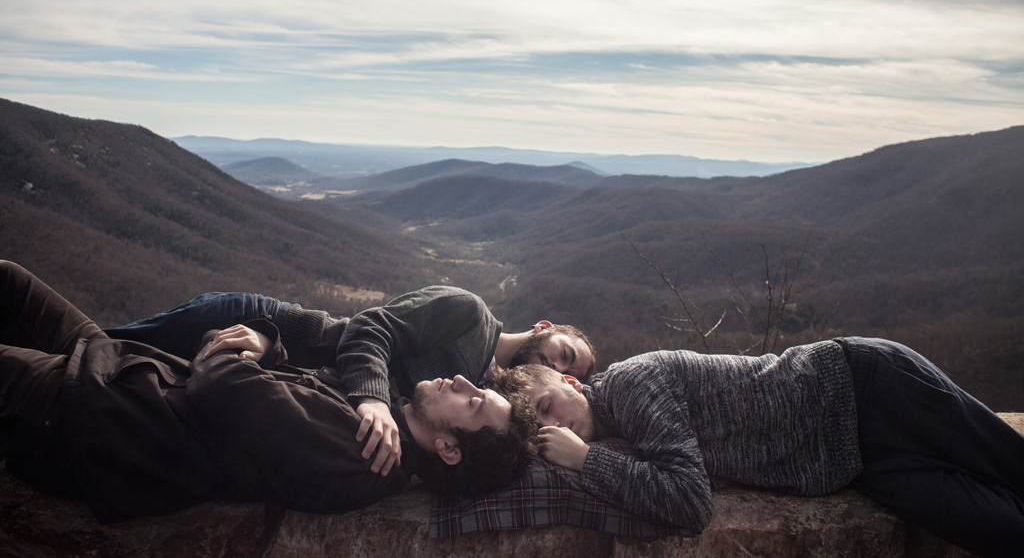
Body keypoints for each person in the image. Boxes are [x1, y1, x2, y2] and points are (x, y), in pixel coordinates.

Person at [0, 261, 538, 523]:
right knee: (10, 282)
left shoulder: (365, 451)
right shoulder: (382, 419)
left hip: (94, 414)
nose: (468, 380)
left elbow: (222, 386)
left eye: (472, 402)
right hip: (123, 374)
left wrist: (239, 346)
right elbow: (344, 341)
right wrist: (267, 342)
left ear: (448, 448)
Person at [508, 339, 1024, 558]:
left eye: (548, 403)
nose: (553, 423)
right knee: (998, 529)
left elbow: (690, 502)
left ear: (572, 383)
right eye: (541, 426)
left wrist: (586, 459)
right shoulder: (619, 430)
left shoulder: (629, 385)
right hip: (853, 461)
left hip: (866, 386)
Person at [104, 286, 595, 476]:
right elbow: (368, 326)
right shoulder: (470, 316)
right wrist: (373, 399)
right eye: (566, 354)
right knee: (98, 347)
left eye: (573, 373)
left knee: (108, 369)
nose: (563, 367)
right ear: (543, 328)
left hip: (268, 363)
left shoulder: (483, 406)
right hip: (255, 323)